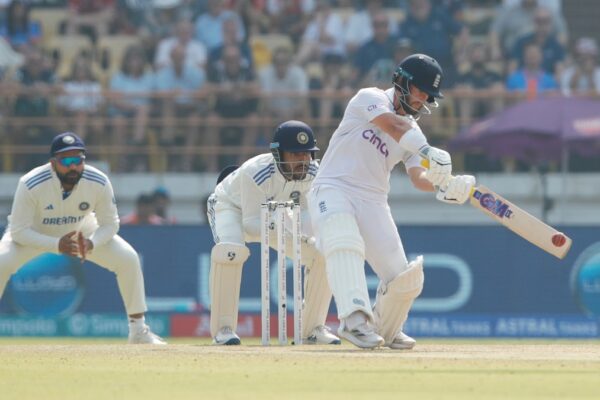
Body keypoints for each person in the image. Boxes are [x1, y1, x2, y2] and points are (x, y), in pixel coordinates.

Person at [307, 54, 476, 349]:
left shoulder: (415, 132)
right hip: (334, 187)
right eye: (420, 90)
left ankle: (387, 328)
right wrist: (427, 150)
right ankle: (355, 322)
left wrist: (445, 185)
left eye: (428, 95)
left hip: (373, 199)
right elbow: (393, 127)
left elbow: (418, 177)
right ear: (401, 81)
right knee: (344, 242)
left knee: (404, 278)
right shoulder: (369, 98)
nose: (424, 99)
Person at [0, 132, 166, 345]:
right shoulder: (31, 183)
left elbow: (110, 224)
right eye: (66, 161)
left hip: (81, 233)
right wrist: (56, 244)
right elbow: (18, 232)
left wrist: (91, 243)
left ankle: (138, 331)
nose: (73, 167)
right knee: (1, 261)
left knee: (128, 258)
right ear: (53, 163)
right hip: (35, 235)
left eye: (78, 160)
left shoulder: (98, 180)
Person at [207, 120, 340, 346]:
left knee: (321, 253)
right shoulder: (255, 172)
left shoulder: (314, 173)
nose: (303, 161)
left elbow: (308, 216)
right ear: (278, 154)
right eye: (295, 155)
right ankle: (223, 329)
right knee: (231, 252)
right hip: (231, 207)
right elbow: (251, 225)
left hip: (277, 210)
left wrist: (310, 238)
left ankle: (313, 329)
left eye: (307, 154)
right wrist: (289, 233)